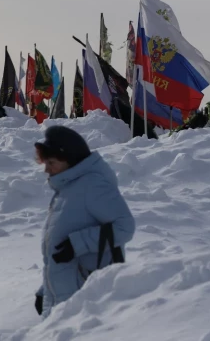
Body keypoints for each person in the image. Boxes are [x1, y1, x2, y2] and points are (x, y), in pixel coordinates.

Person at [34, 126, 135, 318]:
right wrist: (45, 290)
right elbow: (57, 252)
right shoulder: (67, 189)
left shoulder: (93, 185)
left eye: (51, 163)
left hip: (88, 304)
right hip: (62, 300)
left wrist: (77, 244)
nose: (46, 169)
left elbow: (125, 226)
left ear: (69, 159)